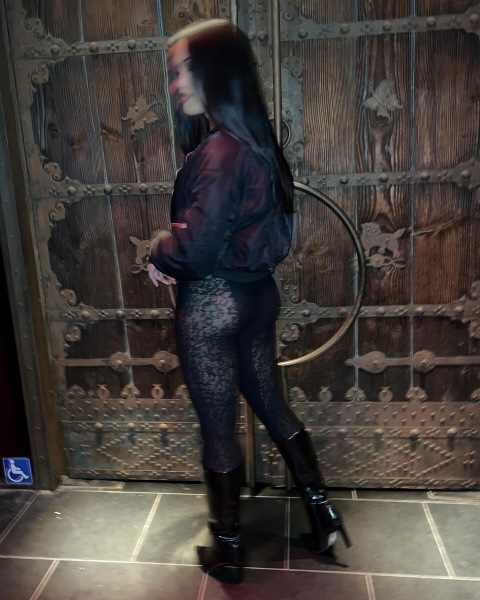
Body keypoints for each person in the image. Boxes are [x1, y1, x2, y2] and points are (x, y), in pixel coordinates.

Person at [147, 18, 350, 584]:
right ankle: (322, 513)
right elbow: (268, 237)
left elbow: (195, 248)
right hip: (257, 297)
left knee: (218, 430)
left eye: (184, 71)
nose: (176, 85)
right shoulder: (257, 144)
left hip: (212, 307)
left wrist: (160, 251)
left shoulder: (217, 152)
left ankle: (229, 550)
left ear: (217, 71)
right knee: (270, 403)